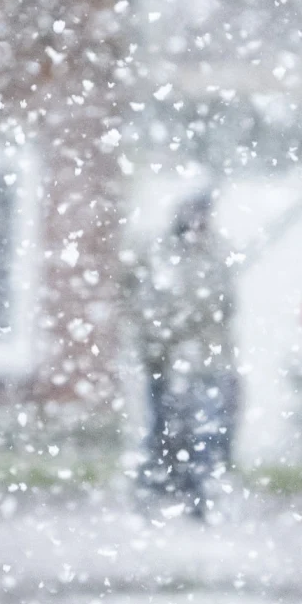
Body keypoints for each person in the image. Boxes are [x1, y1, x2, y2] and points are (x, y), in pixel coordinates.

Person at [132, 192, 239, 516]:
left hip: (206, 358)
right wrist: (161, 338)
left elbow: (224, 304)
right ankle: (159, 486)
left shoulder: (217, 254)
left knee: (205, 428)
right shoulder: (159, 252)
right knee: (163, 426)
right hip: (164, 358)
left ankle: (198, 491)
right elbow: (145, 303)